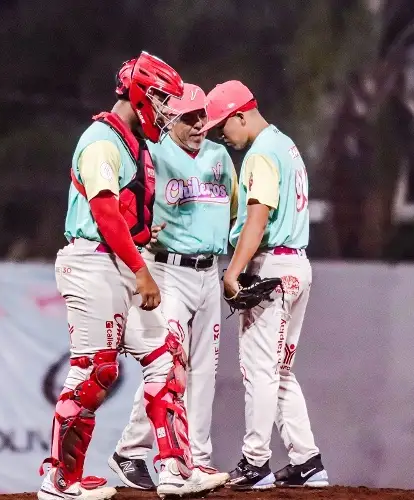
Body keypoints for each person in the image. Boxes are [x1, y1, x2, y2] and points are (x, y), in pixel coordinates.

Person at [37, 53, 228, 500]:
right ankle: (59, 480)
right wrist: (144, 272)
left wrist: (142, 237)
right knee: (94, 370)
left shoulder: (132, 142)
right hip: (94, 263)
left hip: (117, 261)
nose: (166, 109)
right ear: (141, 93)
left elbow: (123, 213)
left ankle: (175, 470)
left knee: (165, 358)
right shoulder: (102, 140)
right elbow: (104, 213)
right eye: (161, 98)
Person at [199, 80, 330, 490]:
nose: (223, 134)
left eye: (224, 124)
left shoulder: (260, 155)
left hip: (270, 265)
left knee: (259, 371)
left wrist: (234, 272)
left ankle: (256, 462)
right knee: (280, 370)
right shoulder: (285, 145)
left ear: (241, 113)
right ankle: (306, 459)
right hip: (298, 266)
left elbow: (257, 217)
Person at [108, 83, 236, 490]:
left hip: (208, 271)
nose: (200, 123)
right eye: (189, 117)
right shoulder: (153, 154)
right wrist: (140, 229)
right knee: (170, 364)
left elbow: (233, 205)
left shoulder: (219, 156)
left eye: (202, 115)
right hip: (167, 270)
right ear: (169, 119)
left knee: (205, 371)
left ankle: (195, 460)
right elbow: (124, 203)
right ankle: (134, 451)